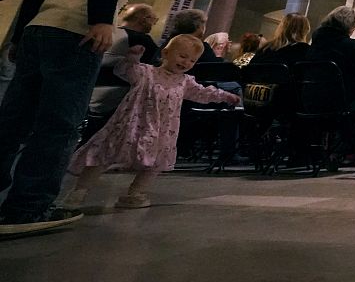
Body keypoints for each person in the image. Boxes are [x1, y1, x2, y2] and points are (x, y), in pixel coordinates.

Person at [0, 0, 183, 235]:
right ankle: (28, 208)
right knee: (60, 125)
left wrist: (19, 37)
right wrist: (101, 21)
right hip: (76, 36)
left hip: (38, 32)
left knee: (13, 120)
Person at [66, 35, 239, 210]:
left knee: (155, 163)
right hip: (130, 124)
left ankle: (135, 193)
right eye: (182, 56)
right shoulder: (146, 72)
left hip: (162, 130)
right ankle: (79, 192)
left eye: (192, 60)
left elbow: (203, 93)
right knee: (103, 155)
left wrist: (225, 96)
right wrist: (132, 58)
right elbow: (125, 70)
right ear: (166, 52)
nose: (186, 62)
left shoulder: (185, 82)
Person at [84, 4, 162, 141]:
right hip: (119, 100)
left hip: (89, 94)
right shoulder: (141, 40)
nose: (153, 24)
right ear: (144, 19)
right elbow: (156, 70)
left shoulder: (105, 34)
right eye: (153, 20)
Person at [307, 6, 355, 117]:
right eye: (354, 28)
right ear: (349, 27)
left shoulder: (317, 41)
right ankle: (348, 132)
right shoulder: (350, 46)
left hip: (310, 96)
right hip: (339, 100)